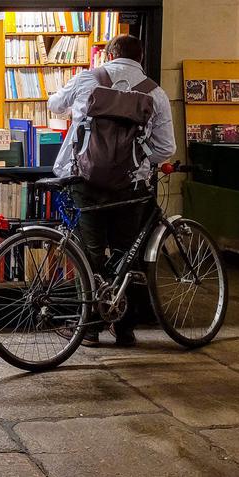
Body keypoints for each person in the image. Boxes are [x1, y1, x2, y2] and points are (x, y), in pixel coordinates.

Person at [47, 34, 175, 347]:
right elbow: (166, 147)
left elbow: (53, 105)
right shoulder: (155, 93)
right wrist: (137, 158)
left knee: (90, 253)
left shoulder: (88, 78)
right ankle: (125, 328)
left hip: (85, 181)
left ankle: (89, 328)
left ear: (108, 54)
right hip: (130, 185)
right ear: (141, 57)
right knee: (126, 252)